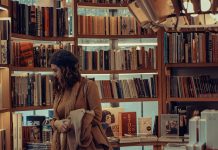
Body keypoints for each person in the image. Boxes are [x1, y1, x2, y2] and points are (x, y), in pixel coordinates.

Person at [49, 50, 111, 150]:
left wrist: (72, 123)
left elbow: (97, 116)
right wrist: (56, 124)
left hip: (84, 144)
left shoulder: (89, 86)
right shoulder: (60, 89)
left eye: (56, 70)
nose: (54, 75)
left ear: (66, 69)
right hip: (61, 144)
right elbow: (55, 118)